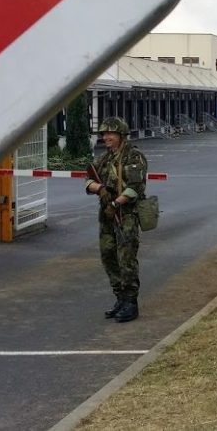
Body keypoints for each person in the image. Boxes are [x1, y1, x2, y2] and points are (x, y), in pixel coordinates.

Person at [84, 117, 149, 323]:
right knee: (108, 255)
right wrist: (101, 189)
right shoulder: (104, 159)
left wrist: (115, 204)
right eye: (103, 134)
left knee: (126, 257)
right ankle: (120, 297)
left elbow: (135, 187)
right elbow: (88, 181)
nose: (106, 137)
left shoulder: (133, 156)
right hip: (107, 216)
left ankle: (131, 301)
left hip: (126, 215)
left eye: (110, 133)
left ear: (121, 135)